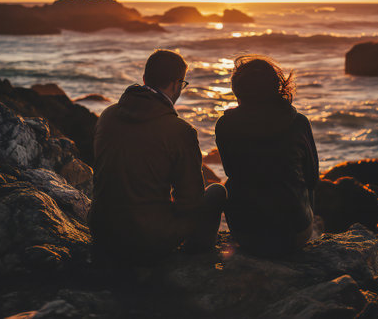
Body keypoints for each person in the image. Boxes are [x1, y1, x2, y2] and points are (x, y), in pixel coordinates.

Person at [89, 49, 226, 266]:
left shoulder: (107, 116)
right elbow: (191, 202)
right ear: (175, 84)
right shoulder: (179, 130)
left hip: (102, 231)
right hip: (146, 240)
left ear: (144, 80)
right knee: (217, 191)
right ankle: (197, 256)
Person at [215, 55, 319, 257]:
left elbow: (232, 171)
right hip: (293, 235)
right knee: (307, 185)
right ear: (277, 87)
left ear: (238, 90)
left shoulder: (225, 125)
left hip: (247, 235)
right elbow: (312, 178)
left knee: (226, 185)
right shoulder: (298, 123)